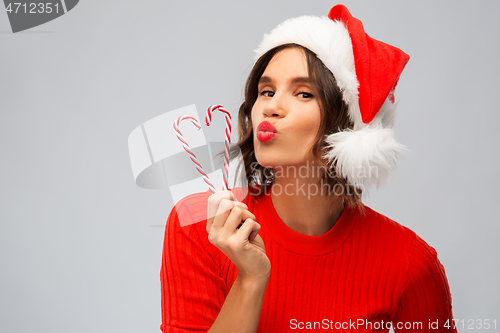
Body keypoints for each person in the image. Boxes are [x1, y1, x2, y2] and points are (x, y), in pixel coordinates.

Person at [160, 4, 456, 332]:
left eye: (303, 93)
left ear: (346, 125)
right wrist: (251, 280)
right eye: (266, 91)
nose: (271, 106)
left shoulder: (410, 264)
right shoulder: (200, 226)